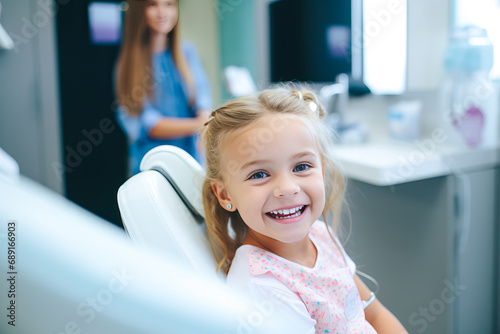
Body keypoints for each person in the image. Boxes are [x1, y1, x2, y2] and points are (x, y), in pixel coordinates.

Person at [201, 87, 407, 333]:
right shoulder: (260, 287)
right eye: (259, 174)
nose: (287, 188)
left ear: (321, 170)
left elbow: (375, 313)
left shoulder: (320, 236)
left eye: (301, 166)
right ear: (225, 194)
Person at [115, 0, 212, 174]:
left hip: (191, 163)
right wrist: (200, 125)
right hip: (152, 169)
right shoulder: (128, 67)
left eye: (169, 4)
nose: (162, 13)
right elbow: (148, 125)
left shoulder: (188, 53)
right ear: (139, 10)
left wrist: (204, 120)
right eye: (152, 5)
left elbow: (202, 98)